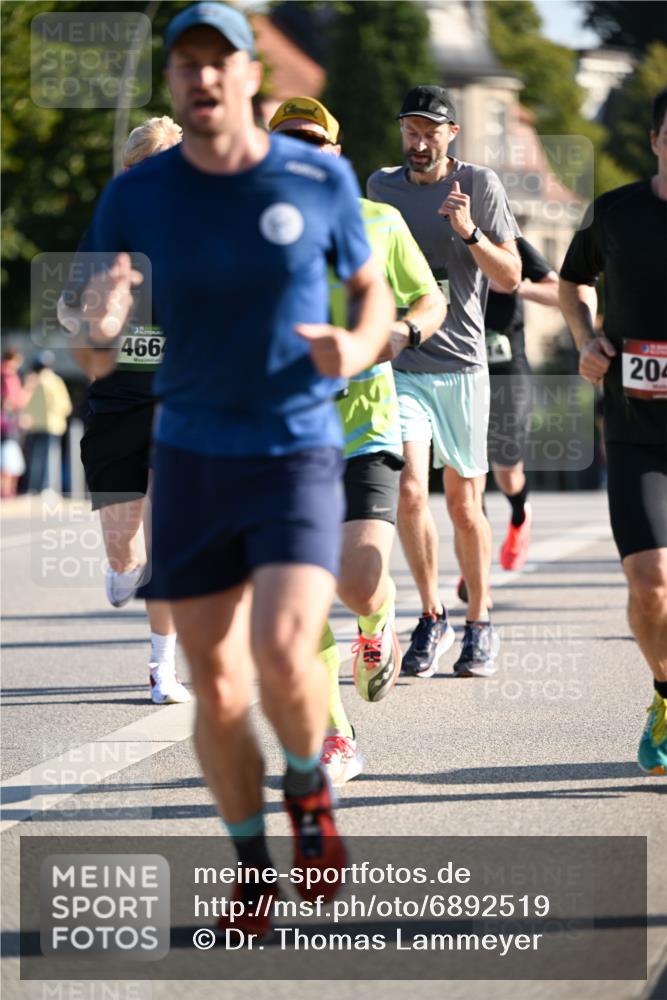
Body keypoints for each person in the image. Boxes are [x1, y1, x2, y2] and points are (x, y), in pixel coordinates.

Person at [74, 1, 394, 936]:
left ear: (251, 74)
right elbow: (101, 320)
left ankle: (306, 787)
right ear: (173, 80)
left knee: (284, 650)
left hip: (294, 450)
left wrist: (359, 340)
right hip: (193, 452)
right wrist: (102, 322)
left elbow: (370, 290)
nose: (204, 77)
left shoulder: (316, 178)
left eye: (222, 62)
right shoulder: (138, 193)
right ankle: (252, 866)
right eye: (187, 64)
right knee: (213, 686)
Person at [269, 96, 446, 785]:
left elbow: (429, 297)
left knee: (356, 577)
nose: (302, 153)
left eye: (315, 142)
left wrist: (404, 332)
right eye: (288, 143)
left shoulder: (378, 221)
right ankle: (333, 738)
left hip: (362, 427)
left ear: (334, 155)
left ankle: (375, 622)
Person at [368, 85, 521, 678]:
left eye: (430, 130)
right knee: (408, 488)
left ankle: (479, 620)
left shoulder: (479, 186)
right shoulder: (381, 189)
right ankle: (432, 614)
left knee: (463, 504)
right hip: (402, 363)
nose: (419, 141)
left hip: (462, 365)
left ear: (451, 134)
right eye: (410, 130)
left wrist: (469, 232)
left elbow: (509, 277)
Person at [58, 116, 189, 706]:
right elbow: (68, 316)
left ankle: (163, 670)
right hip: (116, 401)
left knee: (169, 539)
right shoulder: (107, 229)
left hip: (179, 401)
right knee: (125, 553)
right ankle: (123, 571)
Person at [559, 88, 667, 775]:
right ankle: (664, 696)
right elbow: (573, 285)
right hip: (636, 422)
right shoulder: (617, 212)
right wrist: (585, 341)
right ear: (656, 140)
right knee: (650, 580)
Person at [457, 238, 560, 602]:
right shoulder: (438, 236)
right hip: (460, 368)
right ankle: (476, 568)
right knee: (470, 471)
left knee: (507, 471)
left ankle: (519, 514)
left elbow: (558, 292)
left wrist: (517, 285)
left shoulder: (510, 240)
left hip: (508, 369)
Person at [22, 351, 72, 494]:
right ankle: (45, 488)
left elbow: (27, 404)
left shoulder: (33, 381)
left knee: (36, 457)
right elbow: (66, 405)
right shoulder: (55, 381)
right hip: (53, 425)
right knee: (49, 457)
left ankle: (32, 487)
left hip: (34, 425)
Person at [1, 348, 27, 498]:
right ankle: (7, 491)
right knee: (8, 456)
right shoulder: (8, 375)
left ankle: (7, 491)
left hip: (5, 419)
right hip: (7, 421)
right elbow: (13, 400)